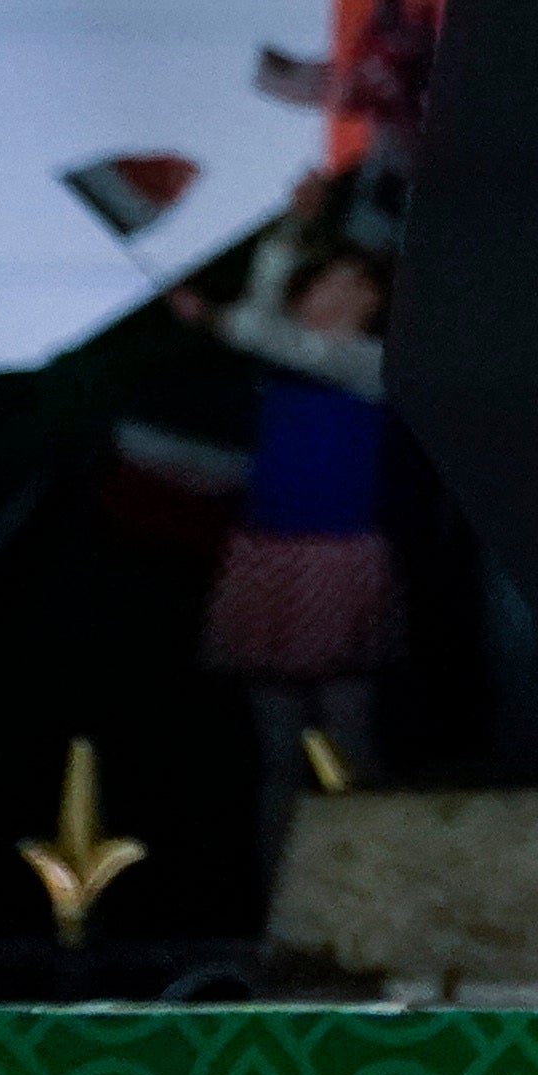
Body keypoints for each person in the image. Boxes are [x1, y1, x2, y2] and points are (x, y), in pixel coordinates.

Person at [171, 178, 398, 889]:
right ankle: (282, 898)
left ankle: (364, 891)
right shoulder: (286, 360)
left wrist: (217, 316)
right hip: (270, 558)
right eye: (324, 286)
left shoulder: (369, 366)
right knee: (277, 756)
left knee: (348, 746)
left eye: (352, 288)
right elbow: (265, 322)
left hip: (337, 563)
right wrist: (287, 235)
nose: (335, 299)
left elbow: (262, 329)